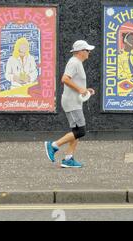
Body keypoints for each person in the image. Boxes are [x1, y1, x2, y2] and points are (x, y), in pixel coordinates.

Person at [44, 40, 95, 168]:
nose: (89, 52)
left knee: (76, 131)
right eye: (87, 50)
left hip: (75, 101)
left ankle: (68, 159)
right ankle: (53, 145)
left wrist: (85, 89)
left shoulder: (77, 63)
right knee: (81, 131)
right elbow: (65, 79)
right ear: (80, 52)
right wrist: (80, 90)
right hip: (71, 102)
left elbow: (75, 82)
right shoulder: (73, 62)